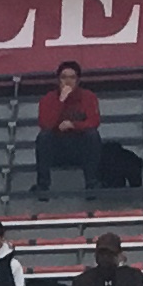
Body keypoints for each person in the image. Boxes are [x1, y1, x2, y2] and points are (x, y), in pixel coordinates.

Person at [33, 61, 102, 193]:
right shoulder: (48, 99)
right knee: (43, 137)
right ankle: (43, 185)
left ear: (78, 80)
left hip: (80, 147)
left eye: (72, 77)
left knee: (92, 135)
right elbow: (45, 124)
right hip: (57, 148)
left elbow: (94, 121)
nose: (68, 81)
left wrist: (73, 125)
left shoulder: (88, 97)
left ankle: (92, 183)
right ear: (58, 80)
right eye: (64, 77)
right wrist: (61, 101)